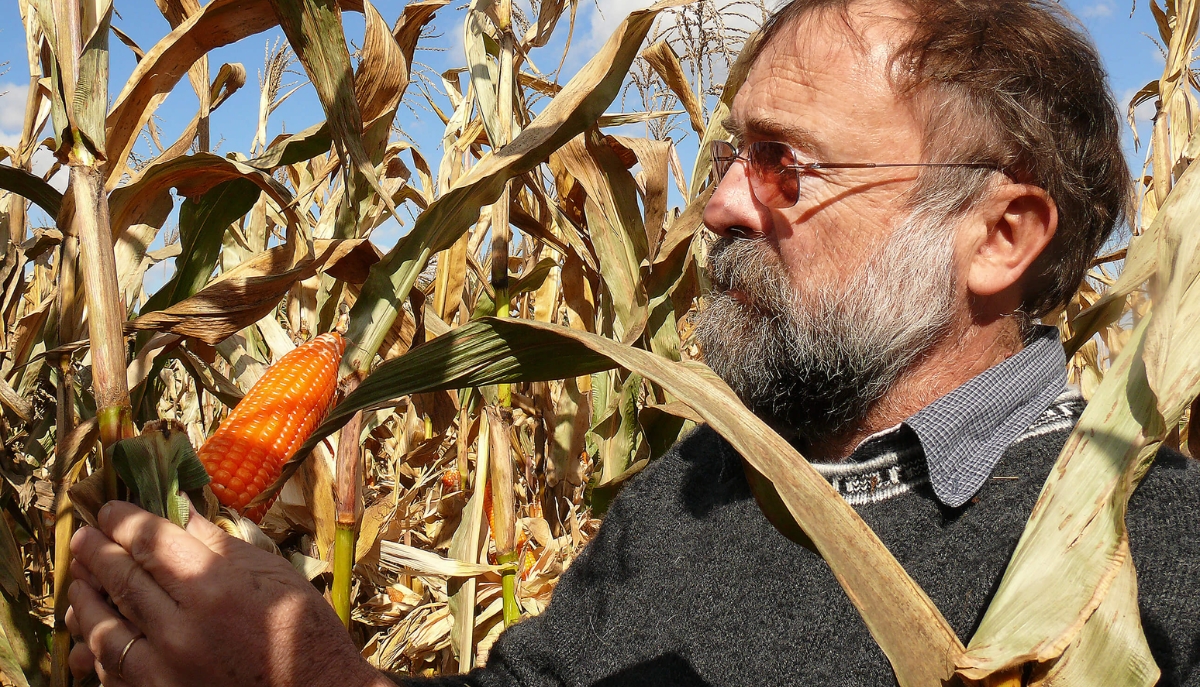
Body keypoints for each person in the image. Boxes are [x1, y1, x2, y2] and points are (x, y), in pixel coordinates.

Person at [65, 0, 1200, 684]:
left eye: (785, 166)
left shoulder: (1161, 566)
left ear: (999, 235)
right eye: (725, 157)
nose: (717, 210)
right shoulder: (691, 494)